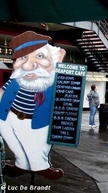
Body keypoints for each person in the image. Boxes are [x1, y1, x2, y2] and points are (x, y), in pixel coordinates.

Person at [0, 31, 65, 180]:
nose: (29, 65)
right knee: (14, 143)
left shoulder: (52, 81)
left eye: (40, 56)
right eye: (23, 58)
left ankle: (41, 167)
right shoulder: (16, 79)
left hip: (37, 121)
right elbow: (2, 91)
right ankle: (21, 164)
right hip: (7, 116)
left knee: (37, 146)